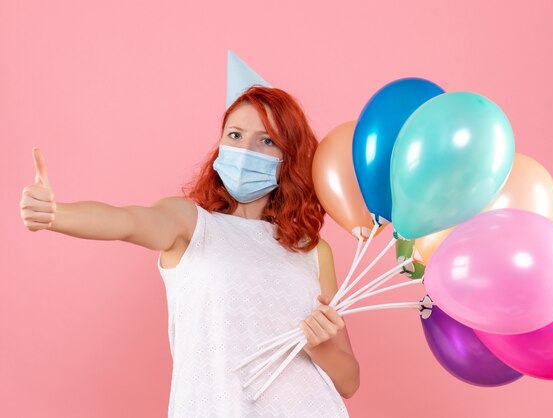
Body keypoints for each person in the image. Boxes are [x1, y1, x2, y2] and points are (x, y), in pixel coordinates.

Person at [20, 86, 359, 417]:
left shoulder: (313, 252)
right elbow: (127, 221)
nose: (245, 150)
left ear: (289, 156)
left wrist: (320, 344)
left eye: (266, 140)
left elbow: (348, 380)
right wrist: (56, 214)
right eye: (235, 135)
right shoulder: (191, 223)